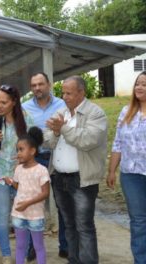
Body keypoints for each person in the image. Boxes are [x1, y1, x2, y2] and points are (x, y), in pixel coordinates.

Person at [44, 75, 107, 264]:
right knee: (69, 224)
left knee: (84, 226)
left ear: (81, 93)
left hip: (82, 179)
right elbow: (47, 141)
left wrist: (62, 129)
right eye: (63, 92)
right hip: (59, 178)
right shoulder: (61, 112)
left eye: (69, 93)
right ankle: (74, 260)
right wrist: (55, 132)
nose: (64, 96)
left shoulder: (96, 113)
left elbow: (87, 140)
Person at [0, 84, 33, 264]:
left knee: (23, 216)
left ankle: (24, 252)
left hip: (21, 176)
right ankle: (6, 255)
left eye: (4, 102)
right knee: (2, 217)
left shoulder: (25, 118)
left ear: (14, 102)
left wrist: (24, 156)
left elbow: (33, 145)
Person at [107, 70, 146, 264]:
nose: (139, 87)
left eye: (144, 84)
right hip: (131, 176)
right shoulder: (126, 112)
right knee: (139, 222)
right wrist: (111, 170)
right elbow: (118, 143)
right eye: (137, 84)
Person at [22, 72, 68, 260]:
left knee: (62, 204)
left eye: (41, 84)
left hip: (57, 159)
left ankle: (65, 245)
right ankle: (32, 247)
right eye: (33, 85)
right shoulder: (24, 108)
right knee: (34, 207)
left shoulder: (62, 105)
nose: (37, 88)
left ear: (49, 85)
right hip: (35, 160)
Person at [6, 126, 50, 264]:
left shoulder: (41, 170)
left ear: (32, 151)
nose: (18, 153)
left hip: (35, 215)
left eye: (21, 149)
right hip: (19, 214)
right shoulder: (18, 168)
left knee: (38, 246)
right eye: (17, 149)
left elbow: (45, 193)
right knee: (20, 246)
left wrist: (27, 203)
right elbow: (20, 187)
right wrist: (11, 182)